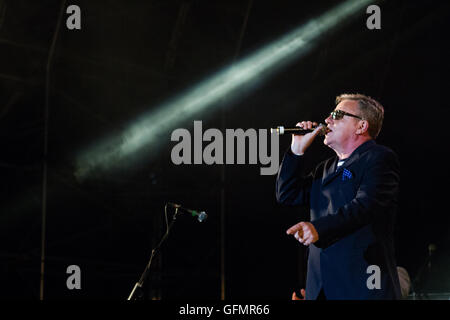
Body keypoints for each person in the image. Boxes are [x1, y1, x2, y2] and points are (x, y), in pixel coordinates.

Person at [276, 93, 402, 300]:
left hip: (362, 286)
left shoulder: (378, 158)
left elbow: (366, 205)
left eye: (338, 114)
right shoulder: (325, 169)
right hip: (322, 290)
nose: (327, 120)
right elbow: (288, 194)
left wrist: (319, 228)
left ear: (361, 126)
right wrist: (296, 150)